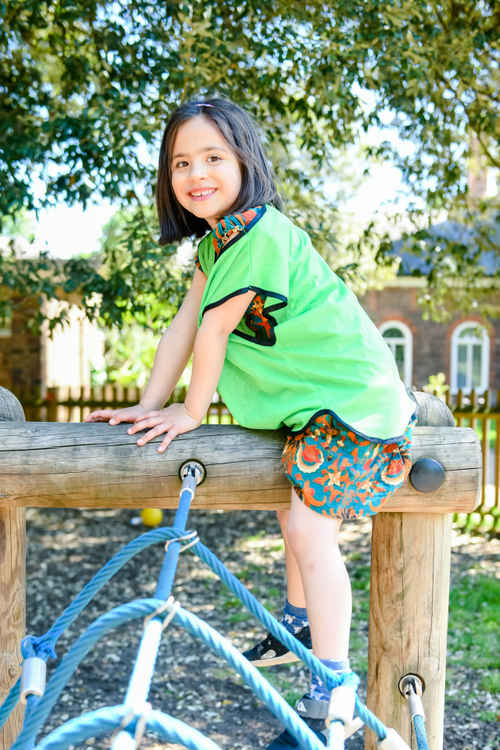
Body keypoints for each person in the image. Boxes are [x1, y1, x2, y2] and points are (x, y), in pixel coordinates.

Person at [86, 97, 417, 749]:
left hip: (354, 406)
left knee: (311, 532)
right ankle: (296, 623)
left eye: (213, 157)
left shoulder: (261, 234)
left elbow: (214, 328)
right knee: (290, 515)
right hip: (321, 410)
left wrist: (189, 411)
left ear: (245, 162)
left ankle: (333, 684)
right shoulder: (219, 247)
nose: (196, 173)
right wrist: (152, 404)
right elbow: (184, 325)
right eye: (182, 161)